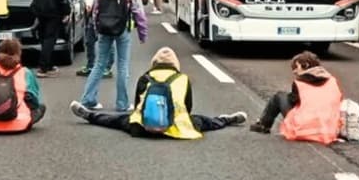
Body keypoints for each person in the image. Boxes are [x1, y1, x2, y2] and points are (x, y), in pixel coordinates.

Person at [70, 47, 246, 138]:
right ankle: (227, 119)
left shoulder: (145, 77)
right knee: (205, 121)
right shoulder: (183, 78)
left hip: (142, 128)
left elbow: (139, 105)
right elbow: (187, 108)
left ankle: (89, 115)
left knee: (115, 120)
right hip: (176, 128)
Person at [79, 0, 148, 111]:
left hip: (104, 29)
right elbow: (139, 13)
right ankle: (122, 103)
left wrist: (96, 30)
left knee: (99, 64)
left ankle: (88, 99)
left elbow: (95, 10)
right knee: (122, 65)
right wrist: (142, 34)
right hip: (123, 29)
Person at [249, 51, 343, 144]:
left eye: (296, 68)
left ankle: (263, 125)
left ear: (305, 65)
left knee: (279, 96)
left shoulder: (300, 82)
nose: (294, 72)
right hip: (329, 130)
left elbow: (293, 101)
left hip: (302, 129)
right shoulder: (332, 81)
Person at [76, 0, 116, 78]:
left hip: (105, 16)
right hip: (95, 14)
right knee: (89, 40)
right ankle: (91, 65)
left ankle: (107, 68)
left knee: (108, 42)